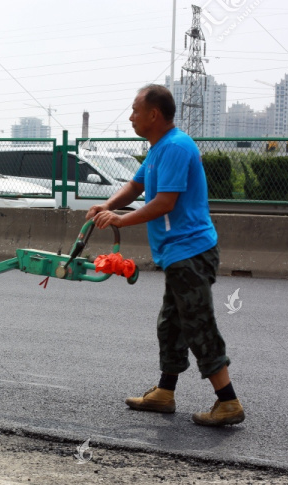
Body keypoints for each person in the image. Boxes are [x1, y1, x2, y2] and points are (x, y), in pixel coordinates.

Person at [85, 84, 244, 426]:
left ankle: (228, 402)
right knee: (171, 325)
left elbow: (164, 202)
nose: (130, 117)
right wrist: (108, 205)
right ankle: (165, 392)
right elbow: (137, 185)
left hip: (192, 251)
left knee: (198, 324)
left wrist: (121, 220)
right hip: (178, 254)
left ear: (153, 114)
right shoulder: (159, 149)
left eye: (135, 110)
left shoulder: (175, 147)